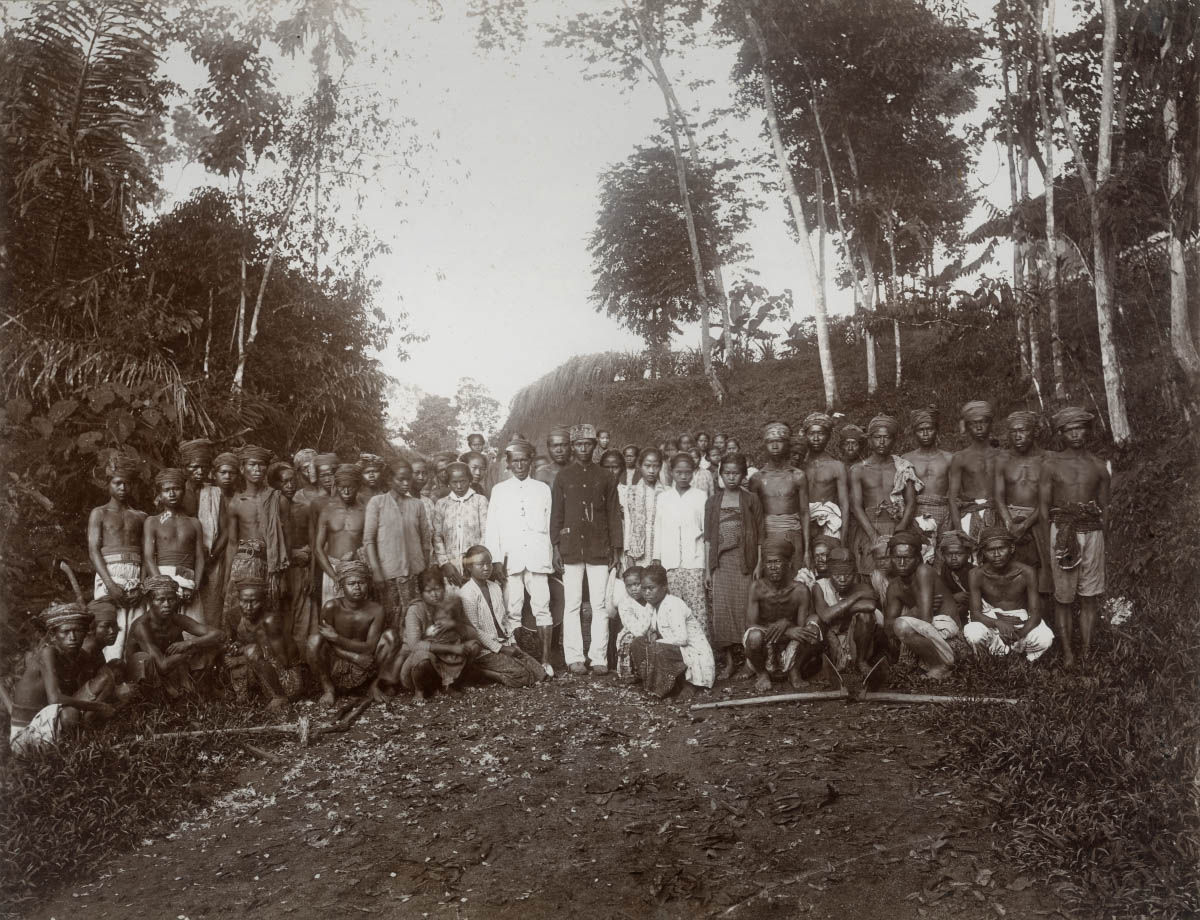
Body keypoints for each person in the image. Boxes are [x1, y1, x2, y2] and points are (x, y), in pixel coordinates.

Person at [1039, 407, 1109, 668]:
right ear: (1061, 433)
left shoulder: (1098, 466)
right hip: (1063, 531)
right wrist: (1051, 542)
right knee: (1064, 597)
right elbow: (1044, 508)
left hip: (1092, 532)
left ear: (1087, 431)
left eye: (1080, 428)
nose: (1076, 434)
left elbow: (1105, 508)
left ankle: (1088, 652)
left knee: (1089, 596)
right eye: (1070, 429)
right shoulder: (1051, 465)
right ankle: (1068, 653)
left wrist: (1105, 541)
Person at [551, 424, 622, 675]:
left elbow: (614, 514)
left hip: (599, 548)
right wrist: (556, 548)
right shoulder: (563, 477)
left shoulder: (606, 477)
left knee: (600, 604)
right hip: (571, 548)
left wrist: (616, 548)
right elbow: (557, 514)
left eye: (588, 444)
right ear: (573, 446)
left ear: (595, 446)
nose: (583, 448)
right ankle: (574, 657)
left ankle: (599, 657)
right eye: (578, 444)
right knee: (572, 604)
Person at [9, 603, 122, 754]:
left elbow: (98, 680)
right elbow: (55, 699)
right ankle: (72, 749)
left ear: (86, 633)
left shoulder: (77, 655)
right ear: (53, 636)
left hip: (48, 723)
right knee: (70, 714)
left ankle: (84, 733)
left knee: (105, 679)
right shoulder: (47, 653)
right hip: (25, 737)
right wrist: (99, 707)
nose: (72, 637)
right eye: (66, 632)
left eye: (78, 631)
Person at [485, 437, 556, 677]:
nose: (520, 465)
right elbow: (492, 528)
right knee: (512, 608)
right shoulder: (500, 491)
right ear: (508, 463)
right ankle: (522, 660)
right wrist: (495, 559)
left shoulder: (542, 489)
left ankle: (546, 660)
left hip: (537, 556)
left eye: (524, 461)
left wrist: (552, 553)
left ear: (531, 462)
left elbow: (549, 525)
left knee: (542, 607)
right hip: (511, 558)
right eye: (515, 461)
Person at [704, 453, 764, 679]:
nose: (731, 477)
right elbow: (709, 538)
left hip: (744, 562)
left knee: (745, 611)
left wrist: (758, 563)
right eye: (727, 473)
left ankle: (749, 662)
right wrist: (708, 570)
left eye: (736, 473)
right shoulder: (712, 501)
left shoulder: (751, 499)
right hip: (721, 564)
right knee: (723, 612)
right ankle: (729, 662)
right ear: (720, 475)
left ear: (743, 475)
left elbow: (760, 535)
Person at [222, 445, 290, 635]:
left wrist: (283, 575)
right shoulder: (236, 502)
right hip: (243, 563)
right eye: (252, 465)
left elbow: (287, 541)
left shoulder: (278, 500)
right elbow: (232, 543)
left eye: (261, 465)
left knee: (269, 613)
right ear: (242, 469)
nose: (257, 469)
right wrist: (228, 578)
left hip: (270, 565)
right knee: (236, 613)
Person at [458, 546, 547, 686]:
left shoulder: (494, 587)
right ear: (469, 567)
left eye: (489, 563)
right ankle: (481, 671)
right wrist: (501, 648)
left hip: (503, 642)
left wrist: (512, 643)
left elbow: (504, 620)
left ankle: (507, 666)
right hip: (484, 649)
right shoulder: (467, 593)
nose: (486, 568)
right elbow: (473, 630)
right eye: (481, 564)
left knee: (540, 673)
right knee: (523, 676)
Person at [87, 454, 147, 662]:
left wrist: (143, 585)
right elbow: (94, 550)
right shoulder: (99, 513)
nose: (123, 488)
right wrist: (110, 584)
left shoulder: (140, 516)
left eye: (127, 484)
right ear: (108, 485)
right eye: (118, 483)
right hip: (109, 573)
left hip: (135, 574)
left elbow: (146, 554)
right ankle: (107, 676)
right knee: (108, 627)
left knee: (135, 628)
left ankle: (133, 682)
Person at [963, 527, 1055, 661]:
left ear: (1012, 548)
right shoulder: (976, 574)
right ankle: (997, 656)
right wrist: (998, 623)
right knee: (973, 633)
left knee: (1044, 639)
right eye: (990, 550)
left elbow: (1035, 614)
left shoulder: (1027, 572)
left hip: (1020, 621)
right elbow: (976, 614)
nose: (996, 555)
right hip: (990, 620)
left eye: (1001, 548)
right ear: (983, 552)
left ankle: (1013, 653)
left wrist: (1018, 635)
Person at [127, 575, 224, 698]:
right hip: (147, 674)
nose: (167, 604)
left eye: (171, 599)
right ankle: (151, 699)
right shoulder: (141, 626)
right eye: (160, 600)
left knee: (210, 646)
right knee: (145, 658)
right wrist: (189, 652)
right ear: (149, 601)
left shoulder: (176, 619)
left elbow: (219, 635)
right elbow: (162, 666)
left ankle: (193, 689)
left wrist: (189, 643)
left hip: (168, 668)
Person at [364, 458, 432, 631]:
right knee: (392, 623)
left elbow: (425, 541)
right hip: (388, 576)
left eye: (408, 479)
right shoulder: (377, 503)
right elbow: (369, 541)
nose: (405, 483)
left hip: (414, 575)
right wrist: (377, 571)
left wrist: (424, 569)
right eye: (400, 479)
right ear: (389, 480)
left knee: (414, 621)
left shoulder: (417, 505)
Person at [744, 537, 820, 691]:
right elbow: (750, 624)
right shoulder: (757, 588)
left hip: (789, 646)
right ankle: (762, 674)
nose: (773, 567)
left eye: (777, 562)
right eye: (769, 563)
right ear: (764, 565)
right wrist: (785, 628)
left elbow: (800, 629)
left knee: (813, 629)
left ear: (788, 564)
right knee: (754, 636)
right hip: (765, 644)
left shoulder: (800, 590)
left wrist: (787, 624)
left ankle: (795, 671)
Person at [628, 564, 714, 698]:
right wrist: (649, 632)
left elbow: (682, 639)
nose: (647, 593)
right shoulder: (651, 605)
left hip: (692, 653)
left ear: (664, 587)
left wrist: (657, 641)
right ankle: (655, 684)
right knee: (637, 643)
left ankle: (687, 683)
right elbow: (640, 631)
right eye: (644, 589)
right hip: (673, 649)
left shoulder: (673, 605)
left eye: (651, 588)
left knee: (657, 648)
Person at [849, 415, 920, 575]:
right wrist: (873, 536)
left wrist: (900, 530)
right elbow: (856, 506)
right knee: (870, 573)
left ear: (894, 440)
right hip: (869, 527)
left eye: (887, 437)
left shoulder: (902, 467)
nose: (881, 442)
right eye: (877, 437)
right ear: (869, 440)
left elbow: (911, 503)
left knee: (900, 572)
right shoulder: (858, 470)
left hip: (897, 525)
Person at [308, 559, 386, 704]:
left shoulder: (376, 610)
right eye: (351, 584)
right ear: (342, 586)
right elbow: (327, 643)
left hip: (366, 665)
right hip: (337, 664)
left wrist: (337, 638)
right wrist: (354, 657)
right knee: (314, 640)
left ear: (368, 584)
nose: (357, 587)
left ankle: (374, 685)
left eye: (361, 583)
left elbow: (370, 647)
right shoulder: (332, 607)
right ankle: (328, 690)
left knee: (391, 637)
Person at [883, 531, 957, 679]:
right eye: (897, 558)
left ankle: (941, 665)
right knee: (901, 625)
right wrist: (916, 609)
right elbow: (888, 628)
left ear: (918, 558)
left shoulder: (924, 571)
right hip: (926, 633)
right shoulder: (894, 586)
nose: (902, 563)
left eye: (907, 558)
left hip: (948, 631)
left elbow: (926, 618)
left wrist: (919, 612)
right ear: (891, 558)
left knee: (903, 625)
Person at [224, 575, 303, 711]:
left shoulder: (270, 621)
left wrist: (243, 656)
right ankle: (247, 696)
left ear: (263, 601)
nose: (248, 607)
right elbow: (241, 642)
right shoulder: (234, 616)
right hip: (263, 671)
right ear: (238, 600)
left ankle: (280, 697)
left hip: (287, 680)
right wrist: (236, 647)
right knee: (234, 656)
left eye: (254, 601)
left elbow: (283, 661)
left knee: (250, 652)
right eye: (244, 601)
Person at [811, 548, 887, 687]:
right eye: (837, 575)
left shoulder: (863, 586)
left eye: (848, 574)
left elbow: (869, 607)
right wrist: (856, 597)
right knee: (815, 621)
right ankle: (824, 666)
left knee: (866, 616)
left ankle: (861, 661)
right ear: (829, 574)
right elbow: (825, 617)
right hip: (831, 640)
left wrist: (836, 611)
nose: (843, 579)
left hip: (856, 641)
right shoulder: (819, 587)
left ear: (854, 573)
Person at [996, 410, 1052, 595]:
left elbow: (1048, 499)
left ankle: (1042, 618)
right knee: (1008, 569)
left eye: (1023, 430)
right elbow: (999, 496)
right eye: (1013, 432)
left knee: (1042, 569)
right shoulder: (1003, 459)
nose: (1017, 436)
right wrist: (1009, 523)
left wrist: (1026, 524)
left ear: (1034, 432)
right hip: (1009, 519)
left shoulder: (1047, 459)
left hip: (1039, 520)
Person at [653, 452, 709, 637]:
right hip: (670, 563)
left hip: (694, 562)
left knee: (697, 610)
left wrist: (705, 565)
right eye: (679, 472)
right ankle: (678, 653)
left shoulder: (700, 496)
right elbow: (658, 528)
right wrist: (657, 558)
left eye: (687, 472)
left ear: (693, 473)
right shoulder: (664, 497)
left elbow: (705, 530)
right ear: (672, 473)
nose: (683, 476)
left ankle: (703, 652)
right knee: (674, 609)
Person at [180, 438, 228, 649]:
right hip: (182, 560)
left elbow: (225, 530)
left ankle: (207, 662)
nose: (199, 471)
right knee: (184, 609)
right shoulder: (176, 492)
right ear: (185, 467)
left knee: (211, 610)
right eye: (194, 467)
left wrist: (211, 557)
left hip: (212, 559)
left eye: (204, 467)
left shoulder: (215, 493)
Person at [143, 468, 206, 626]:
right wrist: (162, 585)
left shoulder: (194, 523)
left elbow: (199, 557)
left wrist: (195, 586)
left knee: (192, 629)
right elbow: (149, 557)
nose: (171, 494)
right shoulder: (153, 521)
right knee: (162, 626)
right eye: (166, 490)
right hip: (162, 577)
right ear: (159, 493)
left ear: (183, 491)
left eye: (176, 489)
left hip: (188, 580)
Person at [398, 577, 480, 700]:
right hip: (419, 664)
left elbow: (474, 634)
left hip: (447, 658)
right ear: (421, 593)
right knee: (423, 658)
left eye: (438, 589)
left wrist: (454, 624)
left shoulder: (451, 604)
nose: (434, 595)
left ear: (444, 588)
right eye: (428, 591)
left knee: (473, 646)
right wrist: (452, 649)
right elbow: (414, 645)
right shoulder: (415, 609)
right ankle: (419, 690)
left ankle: (449, 685)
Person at [748, 422, 811, 568]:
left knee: (795, 578)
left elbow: (804, 513)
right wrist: (757, 557)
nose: (775, 446)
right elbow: (754, 519)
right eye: (770, 441)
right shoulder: (757, 478)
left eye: (779, 441)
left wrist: (808, 551)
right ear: (764, 445)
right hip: (768, 536)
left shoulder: (798, 476)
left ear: (787, 444)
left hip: (793, 535)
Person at [269, 461, 317, 648]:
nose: (289, 486)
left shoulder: (304, 508)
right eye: (284, 482)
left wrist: (311, 575)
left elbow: (313, 544)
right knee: (281, 615)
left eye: (292, 481)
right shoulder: (270, 509)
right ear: (275, 484)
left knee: (302, 617)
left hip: (300, 571)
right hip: (277, 570)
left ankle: (303, 660)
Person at [315, 464, 367, 607]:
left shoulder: (366, 511)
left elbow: (370, 542)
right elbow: (318, 548)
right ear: (336, 486)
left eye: (350, 486)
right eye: (341, 486)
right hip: (332, 568)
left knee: (357, 614)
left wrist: (360, 563)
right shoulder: (328, 511)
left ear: (358, 486)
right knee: (331, 613)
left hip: (357, 571)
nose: (345, 491)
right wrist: (334, 575)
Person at [903, 408, 954, 553]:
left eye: (929, 429)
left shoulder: (949, 458)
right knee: (920, 553)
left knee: (944, 554)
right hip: (917, 510)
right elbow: (905, 496)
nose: (925, 434)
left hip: (944, 510)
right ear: (914, 432)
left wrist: (952, 519)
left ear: (936, 430)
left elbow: (954, 493)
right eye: (921, 430)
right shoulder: (907, 459)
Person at [433, 461, 489, 587]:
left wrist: (475, 563)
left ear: (470, 480)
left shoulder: (480, 501)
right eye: (454, 482)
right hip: (451, 568)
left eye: (463, 481)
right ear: (448, 482)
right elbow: (437, 537)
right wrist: (445, 563)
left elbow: (486, 533)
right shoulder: (442, 504)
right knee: (454, 603)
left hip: (476, 567)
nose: (459, 486)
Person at [949, 401, 998, 540]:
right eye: (973, 423)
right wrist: (959, 529)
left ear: (990, 424)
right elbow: (952, 497)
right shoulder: (960, 458)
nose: (979, 427)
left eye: (983, 422)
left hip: (998, 514)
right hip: (970, 515)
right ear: (967, 426)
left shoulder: (1002, 456)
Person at [801, 412, 848, 544]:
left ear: (828, 436)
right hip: (802, 524)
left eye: (821, 433)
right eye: (811, 434)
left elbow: (844, 504)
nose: (816, 438)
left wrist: (843, 540)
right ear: (805, 436)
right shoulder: (798, 467)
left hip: (828, 524)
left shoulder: (837, 466)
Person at [624, 447, 666, 569]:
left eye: (656, 466)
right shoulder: (632, 492)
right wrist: (629, 553)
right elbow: (628, 524)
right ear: (639, 466)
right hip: (638, 549)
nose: (651, 470)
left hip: (661, 547)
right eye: (647, 466)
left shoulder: (666, 493)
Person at [612, 565, 649, 679]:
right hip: (634, 631)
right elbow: (634, 628)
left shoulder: (651, 598)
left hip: (652, 631)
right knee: (628, 640)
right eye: (629, 586)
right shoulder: (625, 603)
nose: (633, 589)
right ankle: (629, 674)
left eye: (637, 584)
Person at [933, 530, 976, 622]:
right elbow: (936, 598)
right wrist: (953, 597)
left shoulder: (974, 572)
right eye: (949, 554)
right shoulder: (942, 574)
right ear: (943, 555)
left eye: (959, 554)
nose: (953, 558)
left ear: (968, 554)